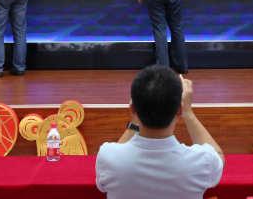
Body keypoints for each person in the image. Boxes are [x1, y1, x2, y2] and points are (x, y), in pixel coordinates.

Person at [96, 65, 224, 199]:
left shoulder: (107, 156)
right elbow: (218, 155)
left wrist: (135, 121)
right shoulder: (202, 161)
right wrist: (188, 112)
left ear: (133, 109)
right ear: (180, 109)